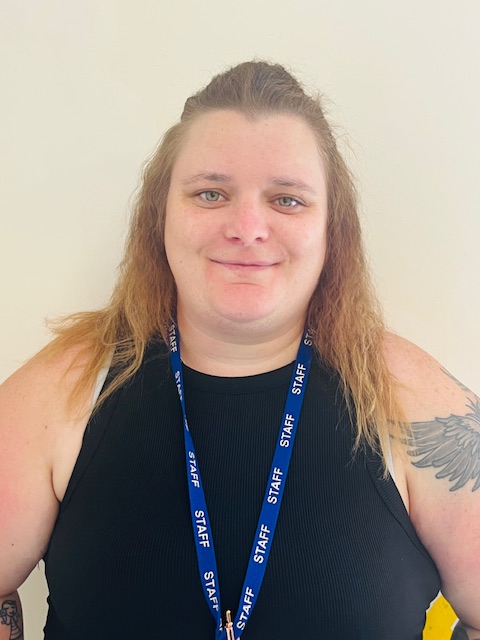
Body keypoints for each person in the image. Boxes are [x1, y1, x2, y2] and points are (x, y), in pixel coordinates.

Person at [0, 60, 478, 640]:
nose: (247, 227)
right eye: (211, 193)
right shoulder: (70, 384)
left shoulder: (407, 398)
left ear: (334, 229)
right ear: (159, 215)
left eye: (287, 200)